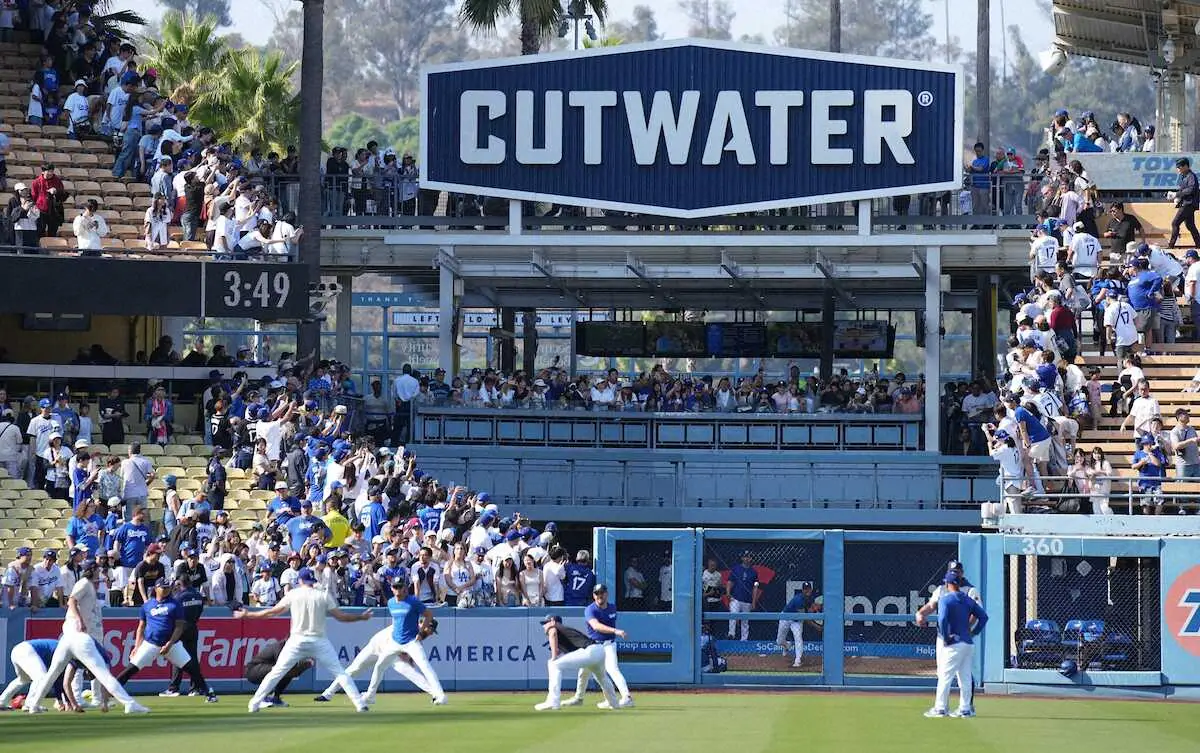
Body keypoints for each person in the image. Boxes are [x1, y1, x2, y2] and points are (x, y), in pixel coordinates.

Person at [234, 566, 372, 713]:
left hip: (297, 641)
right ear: (312, 580)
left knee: (277, 672)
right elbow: (341, 617)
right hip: (319, 641)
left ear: (300, 580)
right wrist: (361, 617)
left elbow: (271, 612)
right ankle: (360, 704)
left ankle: (254, 703)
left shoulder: (294, 594)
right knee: (340, 673)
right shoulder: (323, 595)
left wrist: (248, 615)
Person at [21, 558, 150, 714]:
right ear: (92, 569)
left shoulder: (90, 585)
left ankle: (34, 705)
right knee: (102, 672)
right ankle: (129, 703)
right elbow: (72, 601)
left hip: (69, 638)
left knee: (52, 674)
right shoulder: (83, 583)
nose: (99, 571)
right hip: (79, 637)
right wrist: (80, 621)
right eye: (96, 568)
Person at [315, 585, 444, 704]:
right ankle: (328, 694)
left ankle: (435, 694)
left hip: (391, 652)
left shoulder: (414, 630)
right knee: (353, 669)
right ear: (422, 623)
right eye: (430, 629)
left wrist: (407, 655)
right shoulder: (409, 623)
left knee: (408, 672)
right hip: (376, 646)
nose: (430, 633)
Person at [114, 577, 216, 702]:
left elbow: (179, 626)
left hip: (171, 645)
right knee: (130, 669)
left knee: (192, 668)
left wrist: (170, 643)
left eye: (168, 587)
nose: (167, 590)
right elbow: (141, 627)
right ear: (156, 589)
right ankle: (110, 693)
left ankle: (209, 694)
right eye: (164, 587)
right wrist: (136, 646)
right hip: (151, 644)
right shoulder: (147, 605)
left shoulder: (175, 604)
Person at [360, 575, 447, 705]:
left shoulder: (413, 601)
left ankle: (441, 696)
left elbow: (428, 615)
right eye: (395, 587)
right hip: (395, 642)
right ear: (392, 588)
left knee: (425, 667)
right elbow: (396, 622)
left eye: (400, 587)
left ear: (405, 588)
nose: (398, 590)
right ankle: (370, 695)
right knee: (379, 666)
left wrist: (420, 630)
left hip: (411, 642)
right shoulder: (391, 603)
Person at [925, 570, 987, 718]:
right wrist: (974, 632)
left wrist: (946, 637)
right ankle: (965, 709)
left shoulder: (945, 599)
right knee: (965, 677)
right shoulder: (967, 599)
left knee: (945, 676)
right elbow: (983, 617)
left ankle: (940, 708)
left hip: (953, 644)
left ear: (949, 583)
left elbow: (942, 620)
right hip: (967, 643)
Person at [563, 582, 633, 708]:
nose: (599, 596)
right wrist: (615, 631)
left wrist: (613, 632)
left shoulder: (612, 608)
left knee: (612, 669)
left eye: (602, 593)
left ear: (606, 594)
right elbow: (596, 626)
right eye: (597, 594)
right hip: (594, 646)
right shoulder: (590, 609)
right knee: (583, 672)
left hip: (608, 645)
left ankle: (627, 697)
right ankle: (579, 698)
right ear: (593, 596)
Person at [534, 614, 620, 712]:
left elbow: (553, 633)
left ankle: (553, 701)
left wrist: (554, 657)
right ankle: (614, 703)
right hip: (599, 650)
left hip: (590, 651)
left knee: (554, 664)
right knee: (602, 678)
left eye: (545, 623)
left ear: (553, 621)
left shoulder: (554, 627)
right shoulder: (564, 630)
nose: (544, 626)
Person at [161, 579, 208, 698]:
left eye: (177, 584)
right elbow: (200, 610)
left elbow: (173, 613)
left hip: (180, 628)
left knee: (178, 657)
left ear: (180, 584)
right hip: (193, 627)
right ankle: (195, 688)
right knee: (193, 658)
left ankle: (174, 688)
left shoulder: (179, 597)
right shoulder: (198, 595)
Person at [245, 640, 314, 708]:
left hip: (264, 669)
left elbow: (292, 671)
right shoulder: (280, 647)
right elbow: (282, 666)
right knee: (283, 669)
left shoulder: (292, 650)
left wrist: (303, 667)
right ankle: (261, 699)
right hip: (253, 671)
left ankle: (275, 698)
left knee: (288, 671)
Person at [0, 638, 65, 708]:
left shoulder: (58, 646)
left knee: (23, 679)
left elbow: (57, 677)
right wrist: (60, 700)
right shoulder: (62, 648)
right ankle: (31, 703)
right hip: (27, 651)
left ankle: (2, 701)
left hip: (17, 650)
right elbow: (57, 677)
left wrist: (60, 699)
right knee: (41, 678)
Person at [915, 560, 982, 627]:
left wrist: (965, 628)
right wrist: (920, 613)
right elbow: (931, 606)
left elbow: (976, 614)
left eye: (956, 572)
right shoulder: (941, 589)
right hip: (942, 635)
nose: (954, 574)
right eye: (951, 572)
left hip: (961, 636)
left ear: (962, 573)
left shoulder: (970, 590)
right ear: (947, 573)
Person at [726, 550, 759, 641]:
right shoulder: (736, 569)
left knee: (745, 621)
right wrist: (728, 592)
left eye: (748, 556)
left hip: (747, 600)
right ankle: (731, 635)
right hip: (735, 598)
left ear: (751, 558)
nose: (747, 558)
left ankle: (744, 640)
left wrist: (753, 602)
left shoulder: (754, 572)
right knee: (733, 615)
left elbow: (755, 587)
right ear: (742, 558)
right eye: (745, 556)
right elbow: (730, 581)